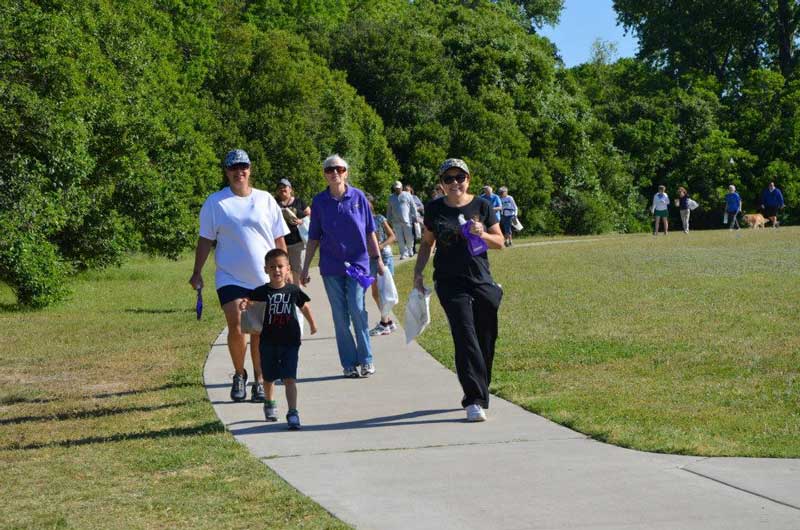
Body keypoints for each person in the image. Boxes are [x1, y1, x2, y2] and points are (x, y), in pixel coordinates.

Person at [190, 149, 289, 402]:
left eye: (243, 167)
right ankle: (238, 373)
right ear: (226, 172)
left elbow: (278, 238)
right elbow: (205, 239)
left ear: (250, 169)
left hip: (261, 278)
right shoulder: (216, 202)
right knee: (236, 324)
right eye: (233, 168)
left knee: (257, 331)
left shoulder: (266, 199)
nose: (239, 172)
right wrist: (197, 272)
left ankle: (258, 379)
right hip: (230, 276)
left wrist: (284, 269)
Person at [413, 158, 505, 422]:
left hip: (480, 278)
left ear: (469, 180)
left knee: (486, 337)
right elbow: (427, 243)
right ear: (441, 184)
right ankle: (474, 399)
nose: (455, 183)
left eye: (460, 178)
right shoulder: (434, 209)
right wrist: (418, 272)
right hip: (450, 280)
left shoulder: (483, 206)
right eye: (449, 179)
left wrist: (482, 234)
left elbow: (500, 242)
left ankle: (481, 384)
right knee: (464, 335)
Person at [300, 154, 385, 378]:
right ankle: (348, 363)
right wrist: (306, 267)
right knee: (340, 316)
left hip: (358, 264)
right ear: (325, 175)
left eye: (338, 169)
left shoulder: (359, 198)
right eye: (329, 170)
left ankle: (366, 359)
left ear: (346, 172)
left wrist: (379, 260)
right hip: (331, 266)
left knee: (357, 309)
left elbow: (370, 231)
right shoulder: (319, 202)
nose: (334, 173)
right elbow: (314, 238)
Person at [239, 249, 317, 429]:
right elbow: (249, 302)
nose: (277, 270)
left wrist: (312, 324)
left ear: (288, 269)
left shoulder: (293, 290)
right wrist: (245, 303)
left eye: (280, 266)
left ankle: (293, 412)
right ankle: (270, 403)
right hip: (268, 342)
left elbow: (304, 307)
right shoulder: (261, 292)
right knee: (269, 377)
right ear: (266, 269)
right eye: (272, 267)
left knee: (290, 377)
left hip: (290, 341)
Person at [365, 194, 397, 336]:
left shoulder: (379, 218)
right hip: (371, 258)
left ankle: (384, 323)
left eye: (367, 203)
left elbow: (392, 236)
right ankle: (388, 321)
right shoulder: (361, 220)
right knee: (377, 293)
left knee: (382, 291)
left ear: (371, 204)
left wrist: (380, 246)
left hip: (383, 257)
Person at [274, 178, 310, 283]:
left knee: (297, 272)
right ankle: (289, 296)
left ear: (290, 189)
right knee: (283, 272)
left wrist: (301, 221)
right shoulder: (274, 203)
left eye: (284, 187)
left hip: (297, 242)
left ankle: (299, 296)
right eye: (279, 188)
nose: (282, 189)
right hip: (280, 243)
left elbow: (310, 215)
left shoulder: (299, 202)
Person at [386, 180, 416, 259]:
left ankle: (410, 250)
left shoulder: (407, 195)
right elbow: (389, 210)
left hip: (407, 220)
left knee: (409, 237)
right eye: (396, 188)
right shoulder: (391, 197)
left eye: (398, 188)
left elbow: (413, 206)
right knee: (400, 239)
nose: (397, 189)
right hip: (396, 221)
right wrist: (388, 221)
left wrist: (415, 216)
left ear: (401, 187)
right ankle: (403, 253)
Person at [405, 184, 425, 255]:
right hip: (408, 219)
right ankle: (412, 249)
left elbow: (422, 206)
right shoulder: (403, 198)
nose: (407, 192)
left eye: (408, 191)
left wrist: (416, 208)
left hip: (416, 218)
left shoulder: (415, 197)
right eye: (406, 191)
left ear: (411, 191)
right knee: (411, 234)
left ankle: (422, 248)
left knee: (418, 234)